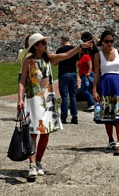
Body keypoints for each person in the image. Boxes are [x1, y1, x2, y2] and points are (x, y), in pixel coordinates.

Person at [17, 33, 84, 181]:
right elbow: (22, 81)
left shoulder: (49, 58)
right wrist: (19, 99)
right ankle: (32, 164)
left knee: (45, 133)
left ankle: (39, 161)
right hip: (33, 99)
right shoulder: (28, 61)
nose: (46, 45)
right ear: (35, 46)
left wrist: (79, 47)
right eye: (43, 43)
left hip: (48, 99)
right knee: (34, 132)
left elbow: (67, 55)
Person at [91, 30, 119, 154]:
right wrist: (94, 90)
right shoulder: (98, 56)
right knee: (108, 114)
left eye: (111, 41)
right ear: (102, 42)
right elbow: (96, 73)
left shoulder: (118, 52)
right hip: (105, 86)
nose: (109, 44)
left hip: (118, 85)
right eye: (107, 41)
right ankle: (111, 139)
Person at [55, 35, 81, 124]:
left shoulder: (60, 50)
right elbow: (78, 62)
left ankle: (64, 116)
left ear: (62, 41)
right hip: (73, 73)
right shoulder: (74, 50)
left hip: (63, 74)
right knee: (73, 96)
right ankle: (74, 116)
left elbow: (55, 62)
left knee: (65, 96)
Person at [77, 31, 96, 112]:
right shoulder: (81, 57)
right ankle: (91, 104)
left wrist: (88, 72)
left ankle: (92, 103)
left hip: (87, 76)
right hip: (83, 76)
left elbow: (90, 64)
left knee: (83, 91)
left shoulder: (86, 56)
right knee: (87, 90)